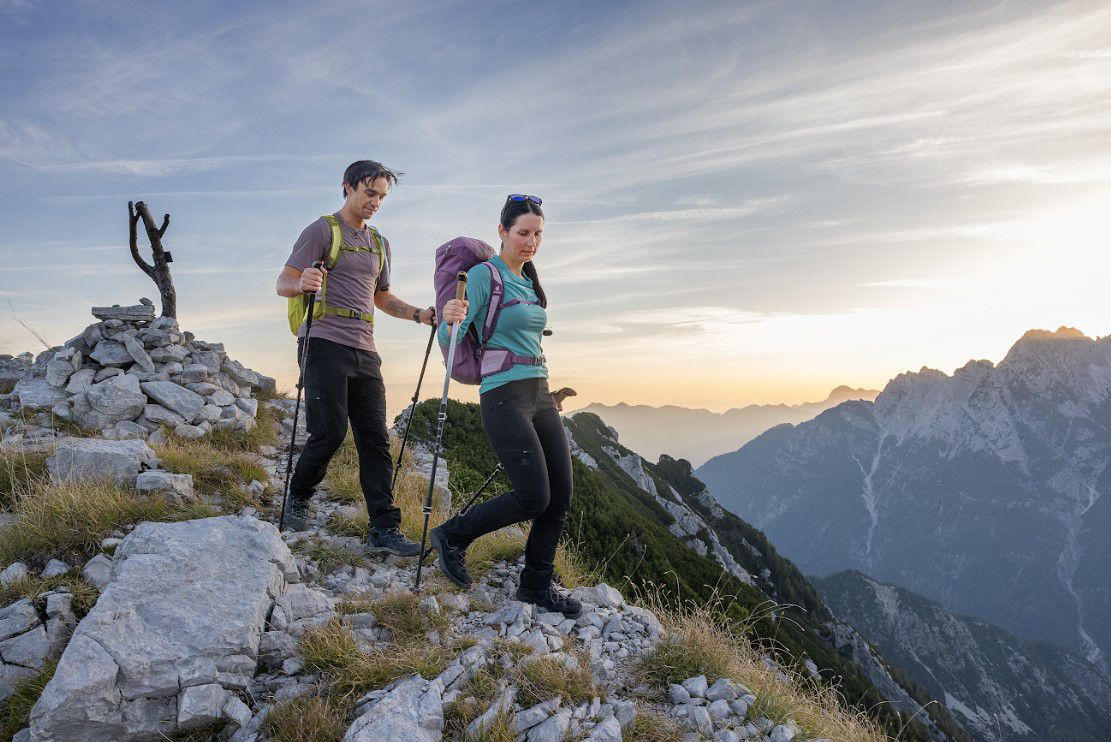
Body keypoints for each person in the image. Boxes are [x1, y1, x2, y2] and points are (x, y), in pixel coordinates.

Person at [276, 160, 437, 556]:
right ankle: (297, 497)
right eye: (370, 193)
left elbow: (382, 297)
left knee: (376, 441)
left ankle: (384, 528)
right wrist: (301, 283)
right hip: (323, 340)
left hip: (365, 348)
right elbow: (283, 282)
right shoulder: (321, 230)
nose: (376, 202)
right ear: (348, 187)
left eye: (382, 196)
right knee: (328, 432)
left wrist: (419, 314)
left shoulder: (380, 243)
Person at [430, 194, 580, 617]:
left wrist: (548, 395)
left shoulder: (530, 281)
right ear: (502, 232)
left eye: (537, 234)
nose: (531, 242)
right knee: (534, 496)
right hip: (503, 394)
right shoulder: (483, 276)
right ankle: (453, 535)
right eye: (523, 233)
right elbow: (450, 339)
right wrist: (449, 318)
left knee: (561, 494)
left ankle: (535, 586)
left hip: (539, 392)